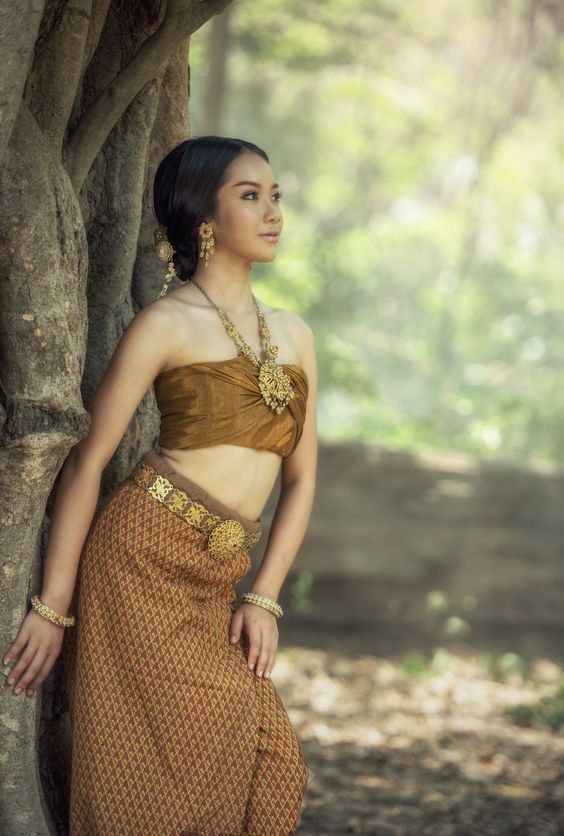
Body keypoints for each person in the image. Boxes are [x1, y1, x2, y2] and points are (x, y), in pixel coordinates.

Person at [2, 136, 317, 835]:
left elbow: (301, 481)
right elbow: (86, 464)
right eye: (250, 195)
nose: (273, 212)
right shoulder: (165, 324)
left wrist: (264, 596)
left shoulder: (294, 336)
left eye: (275, 196)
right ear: (203, 216)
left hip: (220, 575)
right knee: (149, 781)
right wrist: (54, 608)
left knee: (271, 763)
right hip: (140, 558)